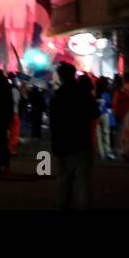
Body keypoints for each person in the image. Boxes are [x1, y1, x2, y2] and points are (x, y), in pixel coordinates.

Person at [50, 64, 99, 208]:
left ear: (60, 76)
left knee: (63, 179)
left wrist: (55, 145)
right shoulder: (84, 94)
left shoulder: (57, 97)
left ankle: (62, 205)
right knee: (83, 180)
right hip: (82, 141)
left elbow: (54, 124)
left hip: (63, 143)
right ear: (74, 75)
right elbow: (94, 114)